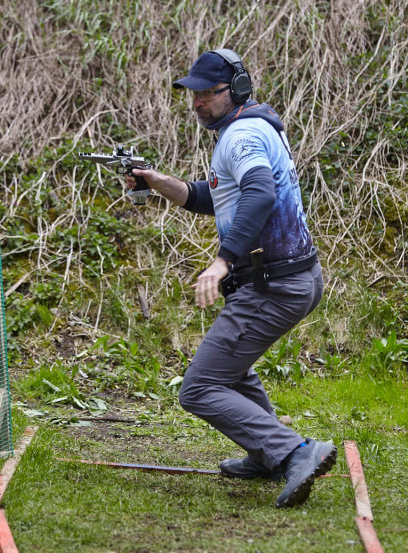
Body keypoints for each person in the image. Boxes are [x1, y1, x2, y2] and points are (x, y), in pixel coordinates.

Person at [127, 48, 335, 508]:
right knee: (232, 370)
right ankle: (266, 456)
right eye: (193, 94)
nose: (198, 102)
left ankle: (293, 451)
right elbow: (213, 197)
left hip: (272, 284)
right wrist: (158, 181)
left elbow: (259, 193)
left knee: (199, 389)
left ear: (236, 90)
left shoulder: (239, 137)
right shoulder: (254, 129)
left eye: (208, 93)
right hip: (292, 276)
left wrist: (221, 261)